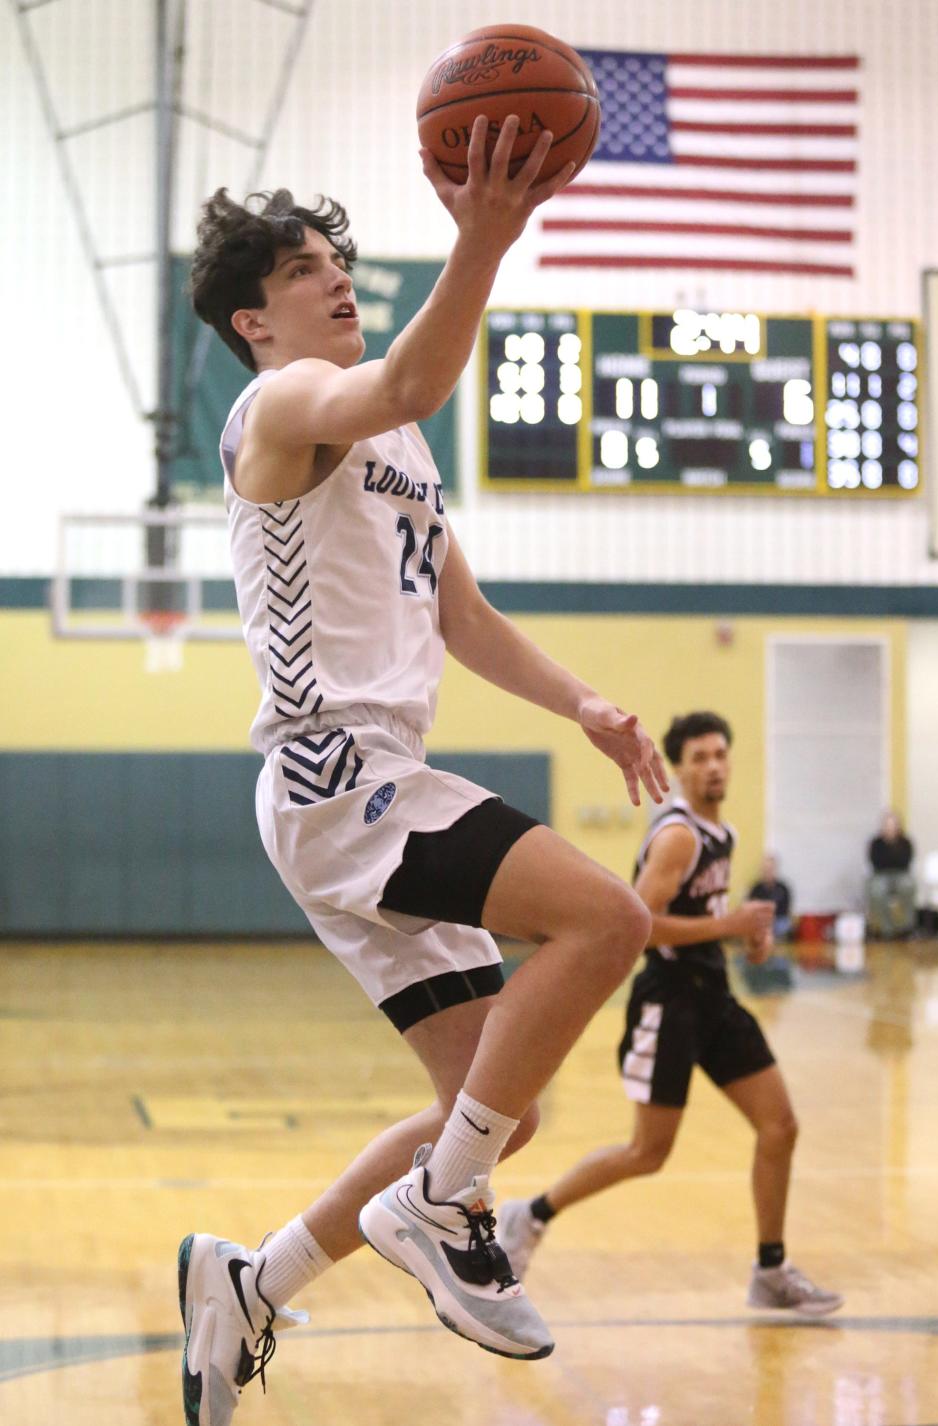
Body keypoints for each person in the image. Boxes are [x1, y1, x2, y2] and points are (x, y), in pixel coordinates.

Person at [180, 116, 671, 1426]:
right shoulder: (280, 407)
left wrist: (588, 705)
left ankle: (252, 1277)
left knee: (489, 1096)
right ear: (254, 322)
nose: (332, 274)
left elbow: (463, 615)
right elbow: (399, 382)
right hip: (341, 777)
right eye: (298, 270)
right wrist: (485, 241)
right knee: (607, 916)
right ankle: (441, 1204)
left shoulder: (398, 448)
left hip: (364, 789)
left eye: (335, 257)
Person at [497, 711, 843, 1317]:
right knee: (648, 1151)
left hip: (714, 996)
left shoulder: (723, 835)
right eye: (699, 757)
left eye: (720, 754)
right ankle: (532, 1214)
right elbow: (639, 925)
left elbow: (706, 920)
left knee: (779, 1126)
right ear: (679, 770)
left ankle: (771, 1269)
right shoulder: (678, 835)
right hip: (669, 999)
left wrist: (743, 938)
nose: (712, 765)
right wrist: (728, 924)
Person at [867, 811, 916, 939]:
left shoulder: (905, 842)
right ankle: (886, 928)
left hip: (901, 875)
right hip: (881, 875)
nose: (890, 828)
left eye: (892, 825)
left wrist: (891, 858)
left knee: (908, 885)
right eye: (887, 825)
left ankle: (906, 927)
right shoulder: (876, 843)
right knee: (877, 890)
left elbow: (905, 861)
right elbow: (876, 862)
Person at [749, 853, 794, 941]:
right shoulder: (756, 889)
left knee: (784, 924)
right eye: (765, 869)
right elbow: (751, 908)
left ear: (775, 869)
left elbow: (785, 910)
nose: (768, 872)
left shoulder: (783, 888)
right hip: (761, 922)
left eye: (770, 869)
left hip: (778, 920)